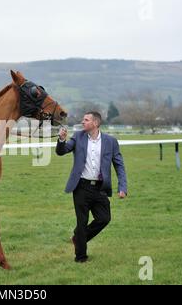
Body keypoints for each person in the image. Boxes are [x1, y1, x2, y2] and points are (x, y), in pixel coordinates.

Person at [56, 112, 127, 263]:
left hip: (100, 188)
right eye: (83, 119)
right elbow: (62, 151)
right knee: (81, 222)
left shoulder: (111, 141)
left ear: (95, 123)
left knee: (104, 218)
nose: (83, 122)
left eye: (86, 120)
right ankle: (81, 257)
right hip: (81, 187)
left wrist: (122, 187)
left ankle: (78, 238)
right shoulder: (78, 136)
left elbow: (119, 165)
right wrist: (62, 140)